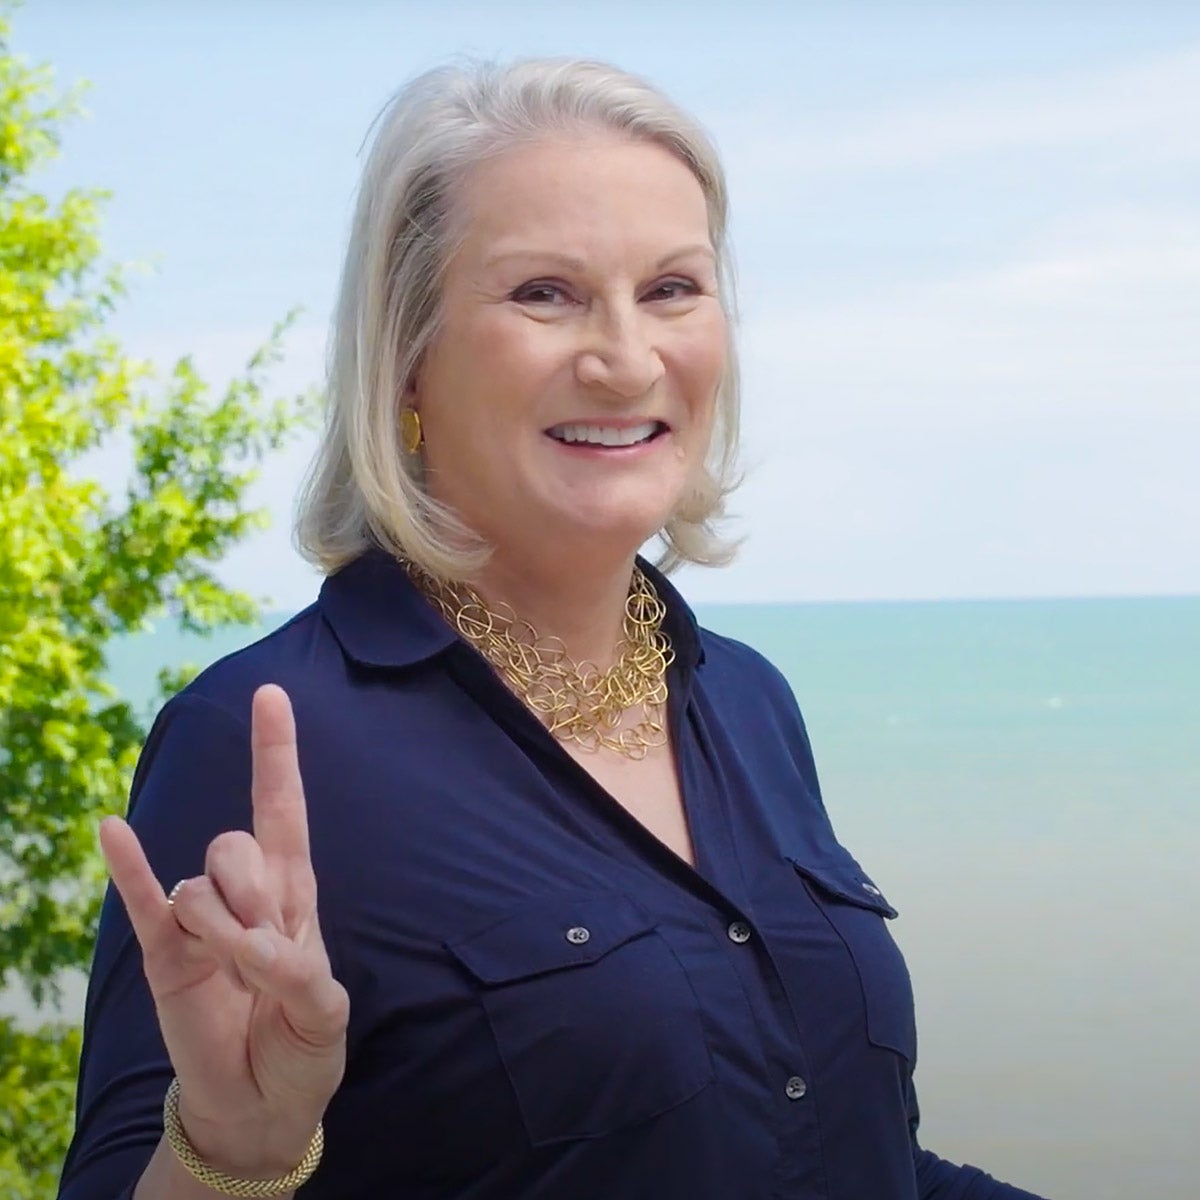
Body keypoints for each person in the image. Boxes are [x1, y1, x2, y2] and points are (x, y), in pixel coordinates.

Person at [58, 58, 1050, 1200]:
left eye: (672, 288)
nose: (627, 359)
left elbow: (856, 1158)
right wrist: (239, 1149)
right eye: (545, 293)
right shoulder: (265, 735)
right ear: (408, 358)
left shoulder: (748, 700)